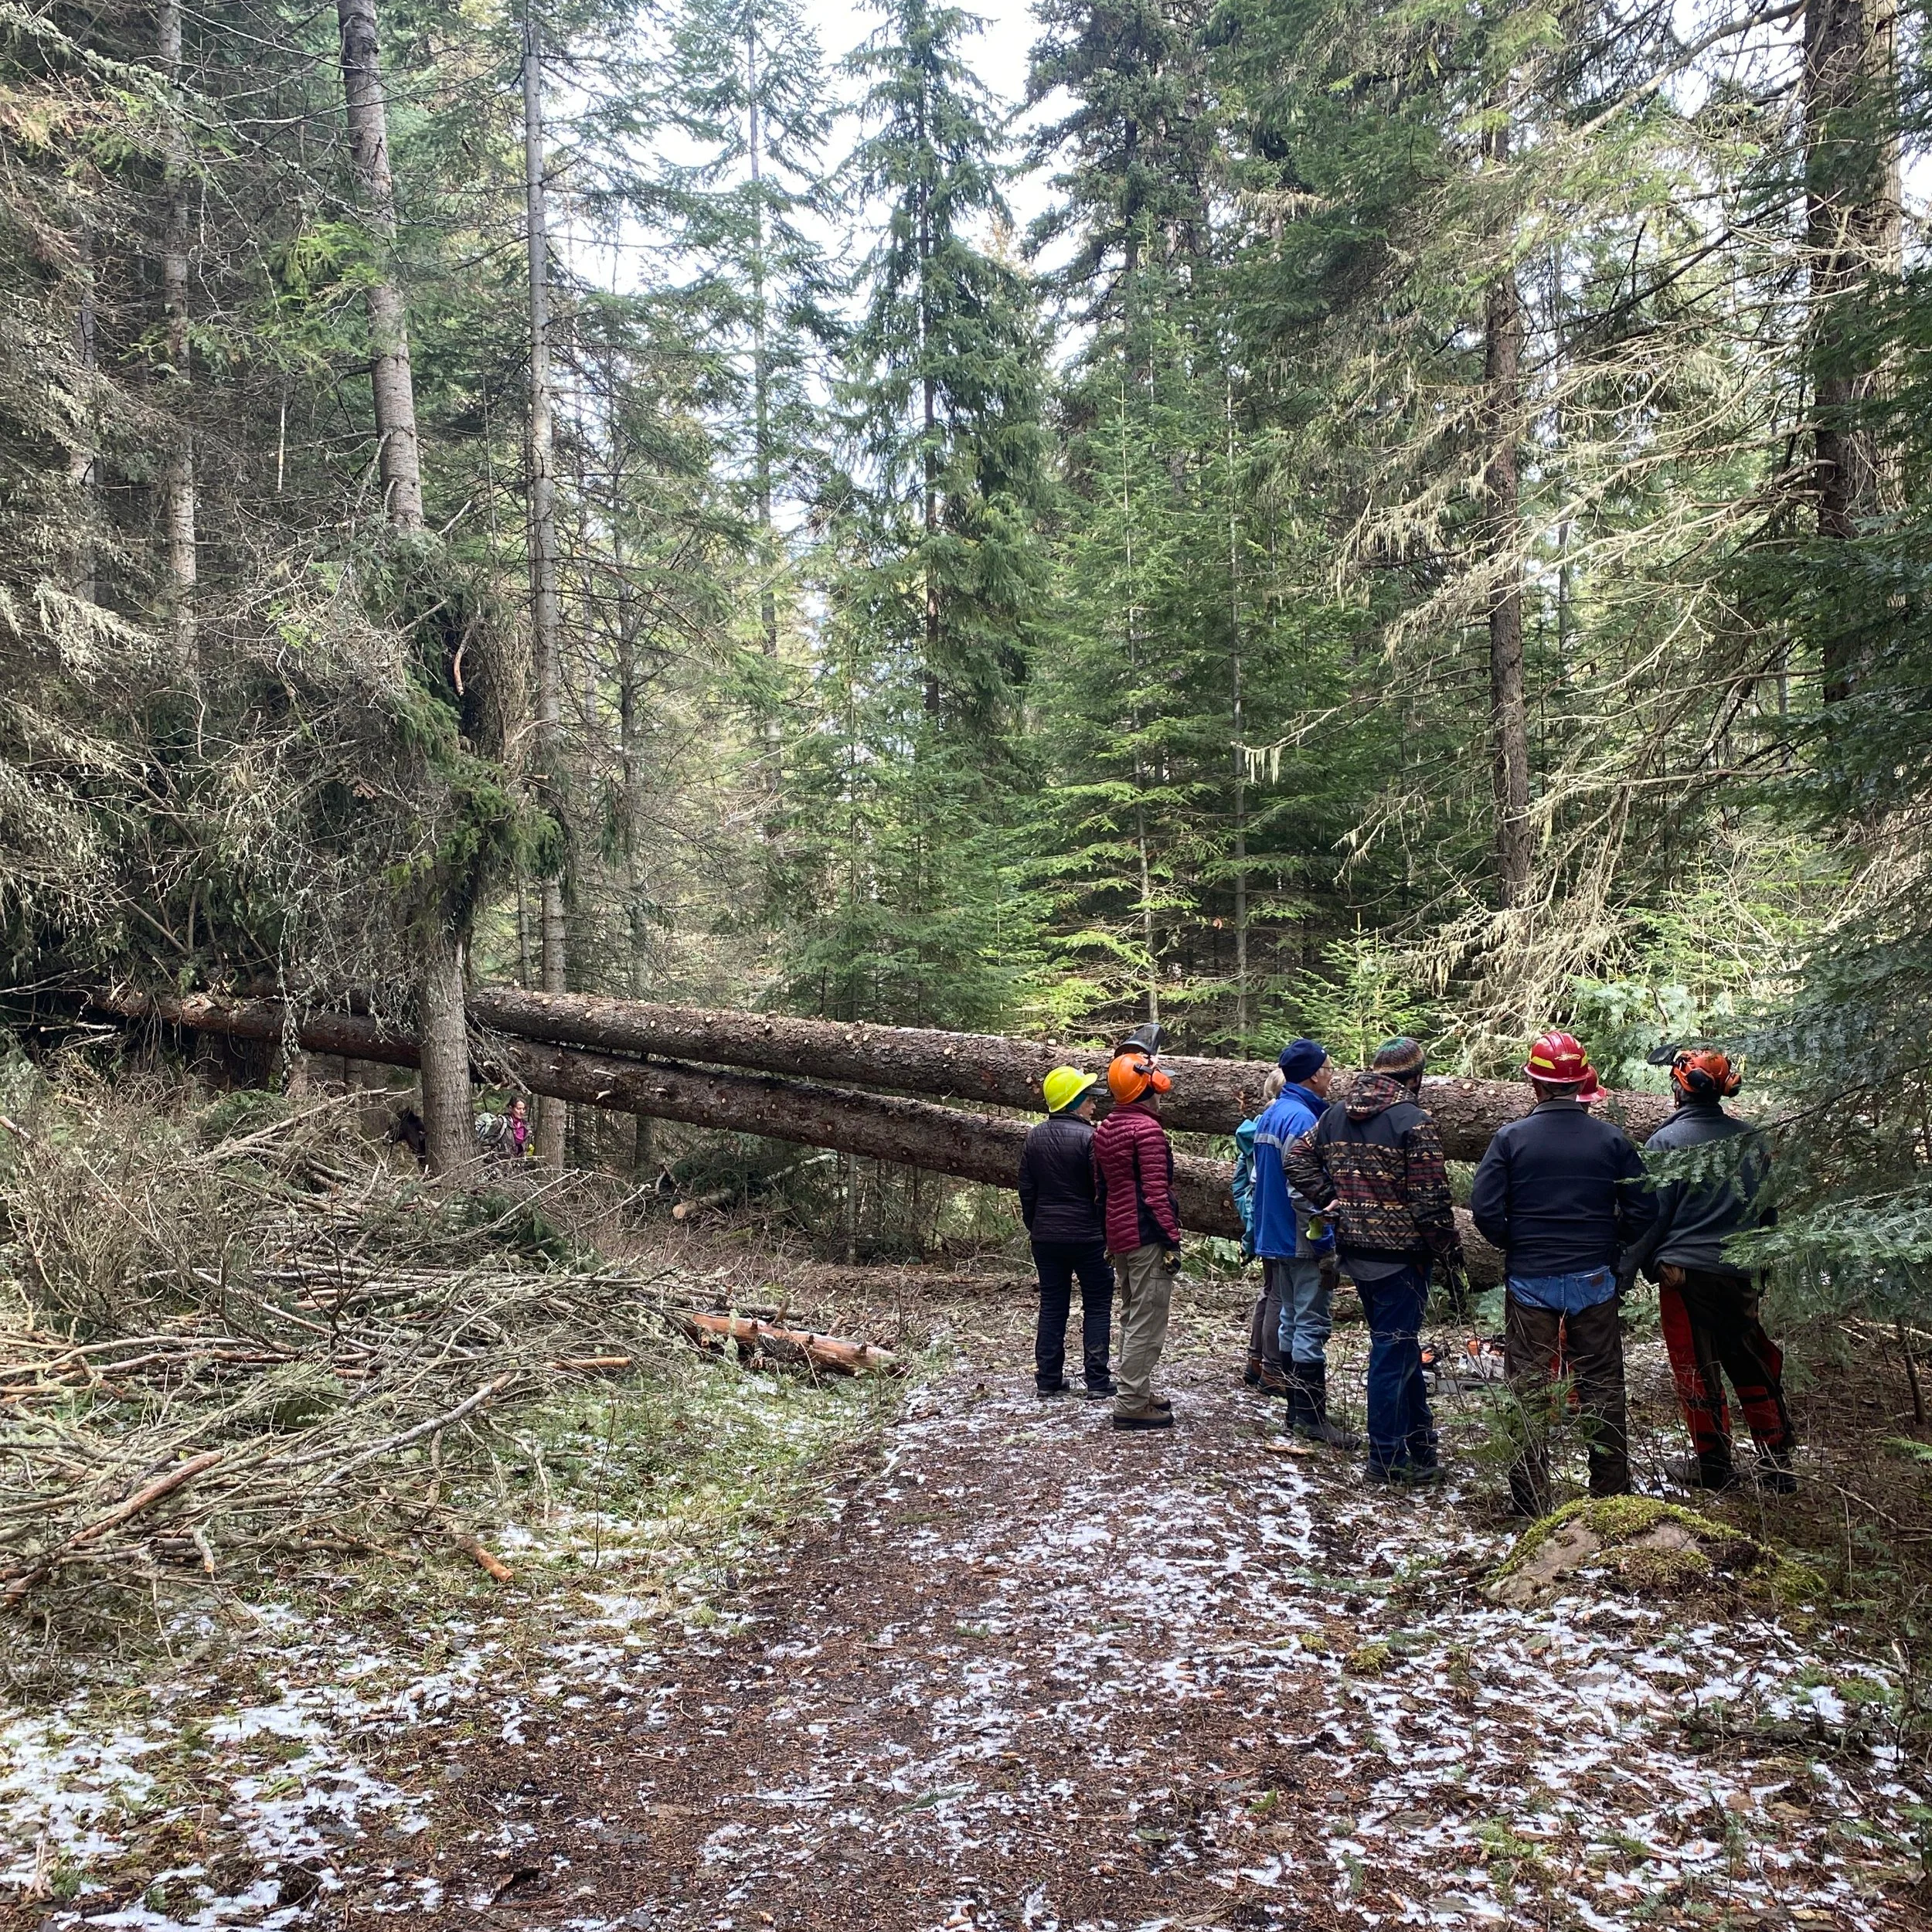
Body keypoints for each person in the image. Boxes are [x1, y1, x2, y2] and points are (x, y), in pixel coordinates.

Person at [1471, 1031, 1655, 1515]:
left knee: (1528, 1387)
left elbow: (1485, 1209)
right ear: (1580, 1084)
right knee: (1601, 1383)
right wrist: (1611, 1242)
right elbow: (1645, 1206)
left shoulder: (1511, 1139)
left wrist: (1517, 1242)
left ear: (1534, 1083)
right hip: (1593, 1276)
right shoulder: (1612, 1139)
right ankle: (1611, 1496)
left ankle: (1531, 1501)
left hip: (1531, 1277)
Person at [1284, 1036, 1462, 1484]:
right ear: (1414, 1078)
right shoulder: (1414, 1121)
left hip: (1356, 1251)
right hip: (1402, 1258)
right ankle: (1385, 1459)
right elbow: (1431, 1200)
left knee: (1400, 1347)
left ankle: (1421, 1446)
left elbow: (1296, 1159)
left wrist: (1333, 1200)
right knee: (1391, 1351)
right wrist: (1448, 1250)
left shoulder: (1335, 1114)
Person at [1621, 1049, 1796, 1494]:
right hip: (1741, 1271)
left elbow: (1650, 1218)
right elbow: (1767, 1208)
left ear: (1680, 1087)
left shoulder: (1665, 1143)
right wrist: (1764, 1265)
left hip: (1686, 1275)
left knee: (1695, 1365)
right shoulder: (1752, 1140)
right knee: (1751, 1357)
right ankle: (1777, 1461)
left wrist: (1621, 1275)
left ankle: (1715, 1463)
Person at [1253, 1041, 1359, 1447]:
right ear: (1314, 1074)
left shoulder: (1274, 1113)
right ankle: (1311, 1417)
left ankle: (1297, 1412)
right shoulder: (1301, 1119)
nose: (1333, 1076)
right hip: (1299, 1235)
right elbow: (1302, 1191)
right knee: (1310, 1322)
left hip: (1275, 1235)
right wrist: (1324, 1241)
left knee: (1291, 1320)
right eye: (1329, 1069)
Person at [1093, 1043, 1182, 1431]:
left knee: (1133, 1314)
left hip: (1120, 1234)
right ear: (1146, 1089)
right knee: (1148, 1317)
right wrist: (1171, 1237)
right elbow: (1156, 1193)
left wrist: (1108, 1234)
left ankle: (1136, 1389)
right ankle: (1131, 1402)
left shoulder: (1107, 1127)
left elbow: (1102, 1190)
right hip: (1146, 1234)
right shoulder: (1147, 1132)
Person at [1018, 1066, 1116, 1400]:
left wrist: (1037, 1225)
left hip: (1046, 1238)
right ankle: (1098, 1381)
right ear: (1073, 1102)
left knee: (1053, 1305)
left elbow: (1026, 1190)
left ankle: (1048, 1379)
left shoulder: (1033, 1137)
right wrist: (1106, 1231)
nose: (1093, 1106)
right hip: (1089, 1238)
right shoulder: (1092, 1139)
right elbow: (1101, 1191)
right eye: (1088, 1099)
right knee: (1099, 1306)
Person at [1234, 1069, 1285, 1385]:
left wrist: (1250, 1220)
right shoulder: (1282, 1125)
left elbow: (1240, 1183)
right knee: (1279, 1292)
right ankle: (1273, 1368)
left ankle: (1256, 1359)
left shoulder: (1254, 1129)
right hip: (1278, 1221)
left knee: (1269, 1290)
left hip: (1261, 1220)